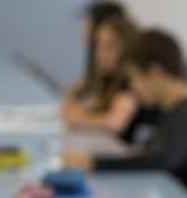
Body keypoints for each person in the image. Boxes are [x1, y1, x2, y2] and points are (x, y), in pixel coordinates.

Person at [63, 29, 187, 194]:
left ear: (155, 73)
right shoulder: (165, 110)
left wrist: (93, 164)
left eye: (134, 78)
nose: (133, 87)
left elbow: (161, 160)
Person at [61, 13, 142, 141]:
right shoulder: (105, 79)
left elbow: (115, 123)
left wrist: (79, 118)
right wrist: (73, 96)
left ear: (127, 48)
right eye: (98, 46)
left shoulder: (134, 81)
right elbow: (67, 114)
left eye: (109, 47)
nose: (100, 55)